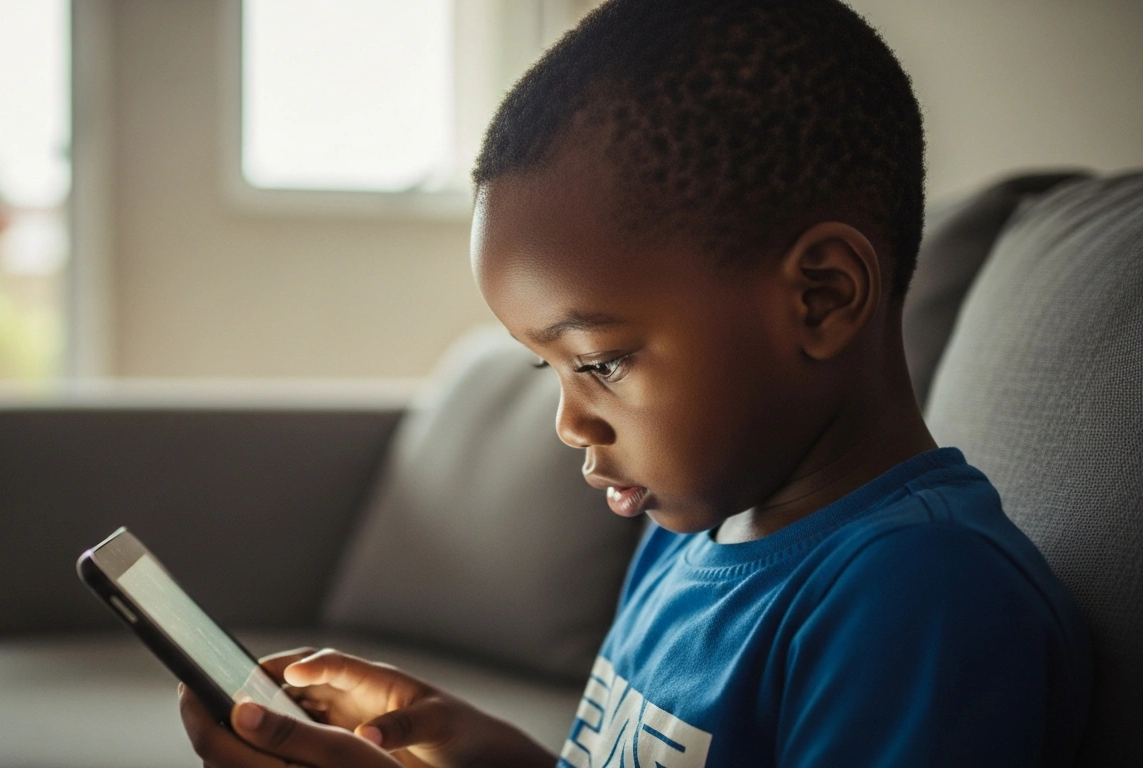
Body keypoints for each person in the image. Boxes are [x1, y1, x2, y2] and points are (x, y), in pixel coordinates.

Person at [179, 0, 1092, 765]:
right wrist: (478, 749)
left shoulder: (917, 599)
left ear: (822, 296)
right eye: (549, 369)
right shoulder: (689, 535)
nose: (571, 422)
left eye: (602, 363)